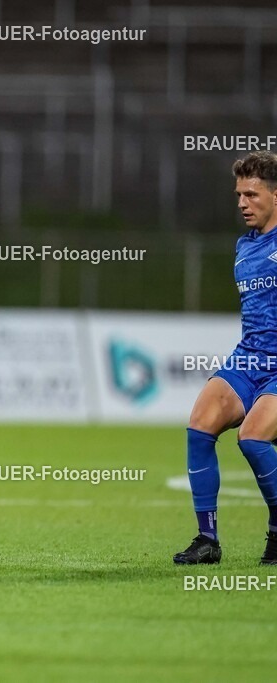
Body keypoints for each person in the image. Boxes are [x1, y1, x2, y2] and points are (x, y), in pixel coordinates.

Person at [175, 151, 277, 565]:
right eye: (239, 194)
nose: (242, 203)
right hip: (248, 359)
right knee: (200, 425)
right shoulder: (244, 247)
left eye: (252, 194)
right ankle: (207, 540)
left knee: (252, 439)